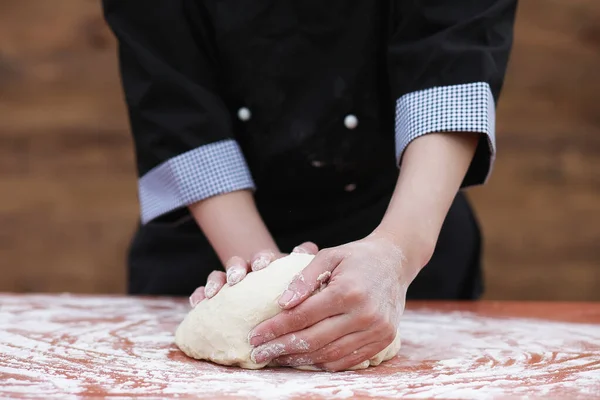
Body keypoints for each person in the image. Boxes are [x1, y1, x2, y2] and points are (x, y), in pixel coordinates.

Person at [102, 0, 517, 371]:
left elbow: (453, 55)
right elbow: (173, 101)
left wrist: (396, 249)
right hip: (209, 244)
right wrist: (261, 280)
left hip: (406, 218)